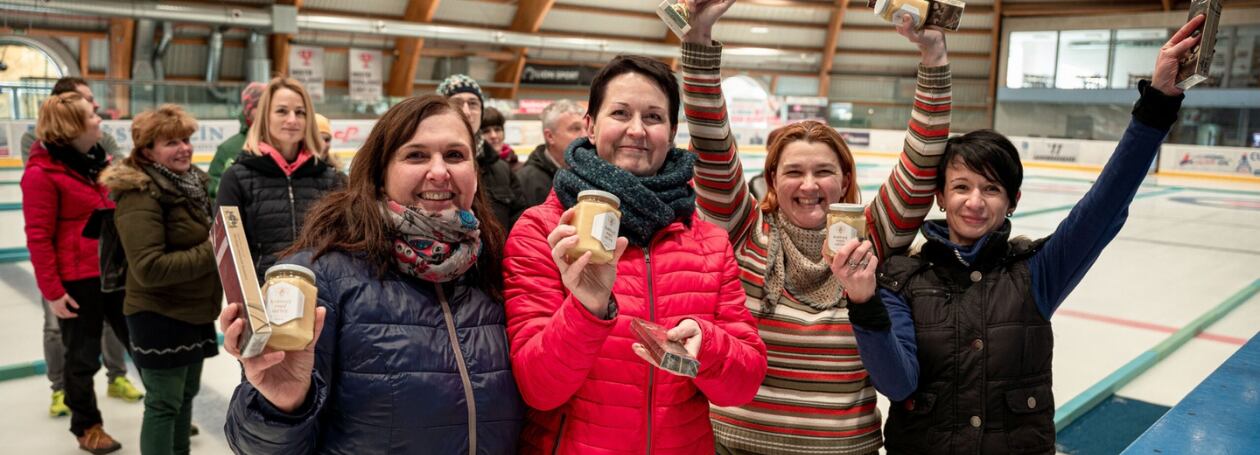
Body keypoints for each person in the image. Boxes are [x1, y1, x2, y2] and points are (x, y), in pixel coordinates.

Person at [839, 15, 1206, 455]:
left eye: (991, 189)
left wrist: (1158, 103)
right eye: (961, 187)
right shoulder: (902, 277)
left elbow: (1104, 207)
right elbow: (897, 383)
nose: (975, 201)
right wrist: (864, 306)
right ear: (940, 196)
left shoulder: (1035, 271)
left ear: (1012, 201)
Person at [680, 2, 952, 453]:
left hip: (841, 448)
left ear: (845, 179)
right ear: (771, 180)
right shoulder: (743, 228)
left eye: (824, 172)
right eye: (793, 173)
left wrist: (934, 58)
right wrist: (699, 38)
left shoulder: (872, 234)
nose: (809, 186)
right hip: (735, 444)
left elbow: (922, 162)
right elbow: (711, 145)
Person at [502, 40, 769, 453]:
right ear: (590, 126)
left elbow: (744, 385)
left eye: (654, 117)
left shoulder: (709, 244)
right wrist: (586, 309)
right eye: (621, 113)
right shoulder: (542, 232)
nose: (637, 130)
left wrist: (708, 343)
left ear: (673, 132)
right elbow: (539, 390)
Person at [222, 95, 523, 453]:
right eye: (416, 155)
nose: (440, 171)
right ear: (380, 173)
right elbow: (258, 446)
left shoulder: (495, 268)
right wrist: (281, 406)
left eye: (455, 155)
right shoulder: (319, 279)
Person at [100, 105, 221, 455]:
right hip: (158, 315)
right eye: (171, 142)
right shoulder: (140, 193)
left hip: (192, 310)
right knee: (163, 403)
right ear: (147, 149)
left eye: (186, 139)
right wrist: (214, 248)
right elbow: (149, 268)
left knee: (184, 399)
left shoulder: (191, 183)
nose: (184, 147)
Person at [20, 78, 141, 417]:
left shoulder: (98, 161)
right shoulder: (41, 173)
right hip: (77, 280)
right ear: (73, 125)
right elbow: (39, 236)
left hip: (112, 272)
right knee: (81, 356)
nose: (100, 117)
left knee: (136, 341)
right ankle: (86, 423)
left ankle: (160, 408)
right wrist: (52, 290)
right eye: (91, 114)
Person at [216, 77, 342, 282]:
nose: (292, 120)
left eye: (300, 112)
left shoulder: (330, 178)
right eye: (282, 111)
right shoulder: (236, 178)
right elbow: (229, 254)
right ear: (265, 116)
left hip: (321, 296)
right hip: (264, 297)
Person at [437, 74, 527, 230]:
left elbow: (521, 223)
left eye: (473, 104)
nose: (467, 112)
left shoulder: (501, 169)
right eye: (456, 103)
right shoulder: (429, 166)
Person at [515, 99, 584, 207]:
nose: (584, 135)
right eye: (575, 129)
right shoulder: (525, 181)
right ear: (550, 136)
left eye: (587, 128)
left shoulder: (590, 173)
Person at [208, 82, 266, 198]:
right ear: (247, 111)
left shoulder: (287, 145)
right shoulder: (228, 149)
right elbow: (215, 194)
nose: (264, 111)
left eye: (269, 105)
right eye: (258, 105)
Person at [480, 106, 520, 171]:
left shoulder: (520, 168)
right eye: (486, 131)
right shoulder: (477, 170)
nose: (493, 136)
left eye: (497, 130)